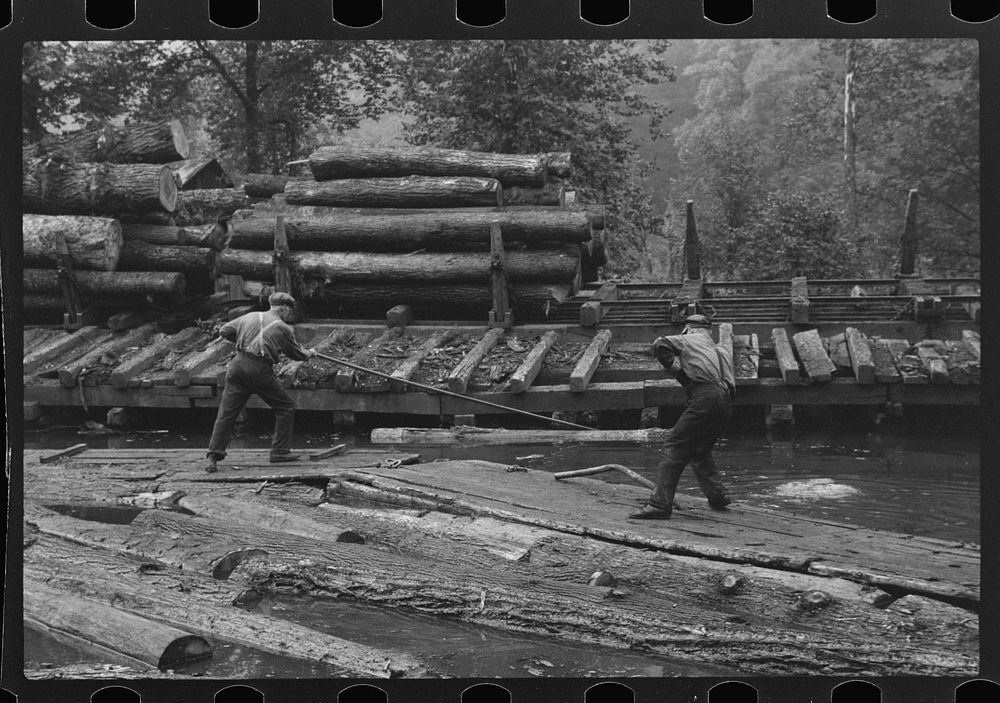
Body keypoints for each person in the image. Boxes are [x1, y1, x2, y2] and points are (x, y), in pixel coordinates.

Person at [630, 314, 735, 519]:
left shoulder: (691, 338)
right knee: (700, 450)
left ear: (689, 329)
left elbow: (661, 344)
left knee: (674, 446)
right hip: (725, 401)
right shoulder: (720, 350)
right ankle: (718, 495)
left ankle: (659, 505)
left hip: (705, 396)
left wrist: (679, 373)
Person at [204, 292, 316, 473]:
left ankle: (213, 457)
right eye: (289, 311)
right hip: (258, 369)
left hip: (237, 365)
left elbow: (224, 330)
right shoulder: (283, 327)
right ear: (284, 308)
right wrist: (310, 353)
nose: (289, 315)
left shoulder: (249, 316)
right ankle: (279, 452)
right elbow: (297, 354)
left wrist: (243, 342)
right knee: (286, 406)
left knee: (226, 413)